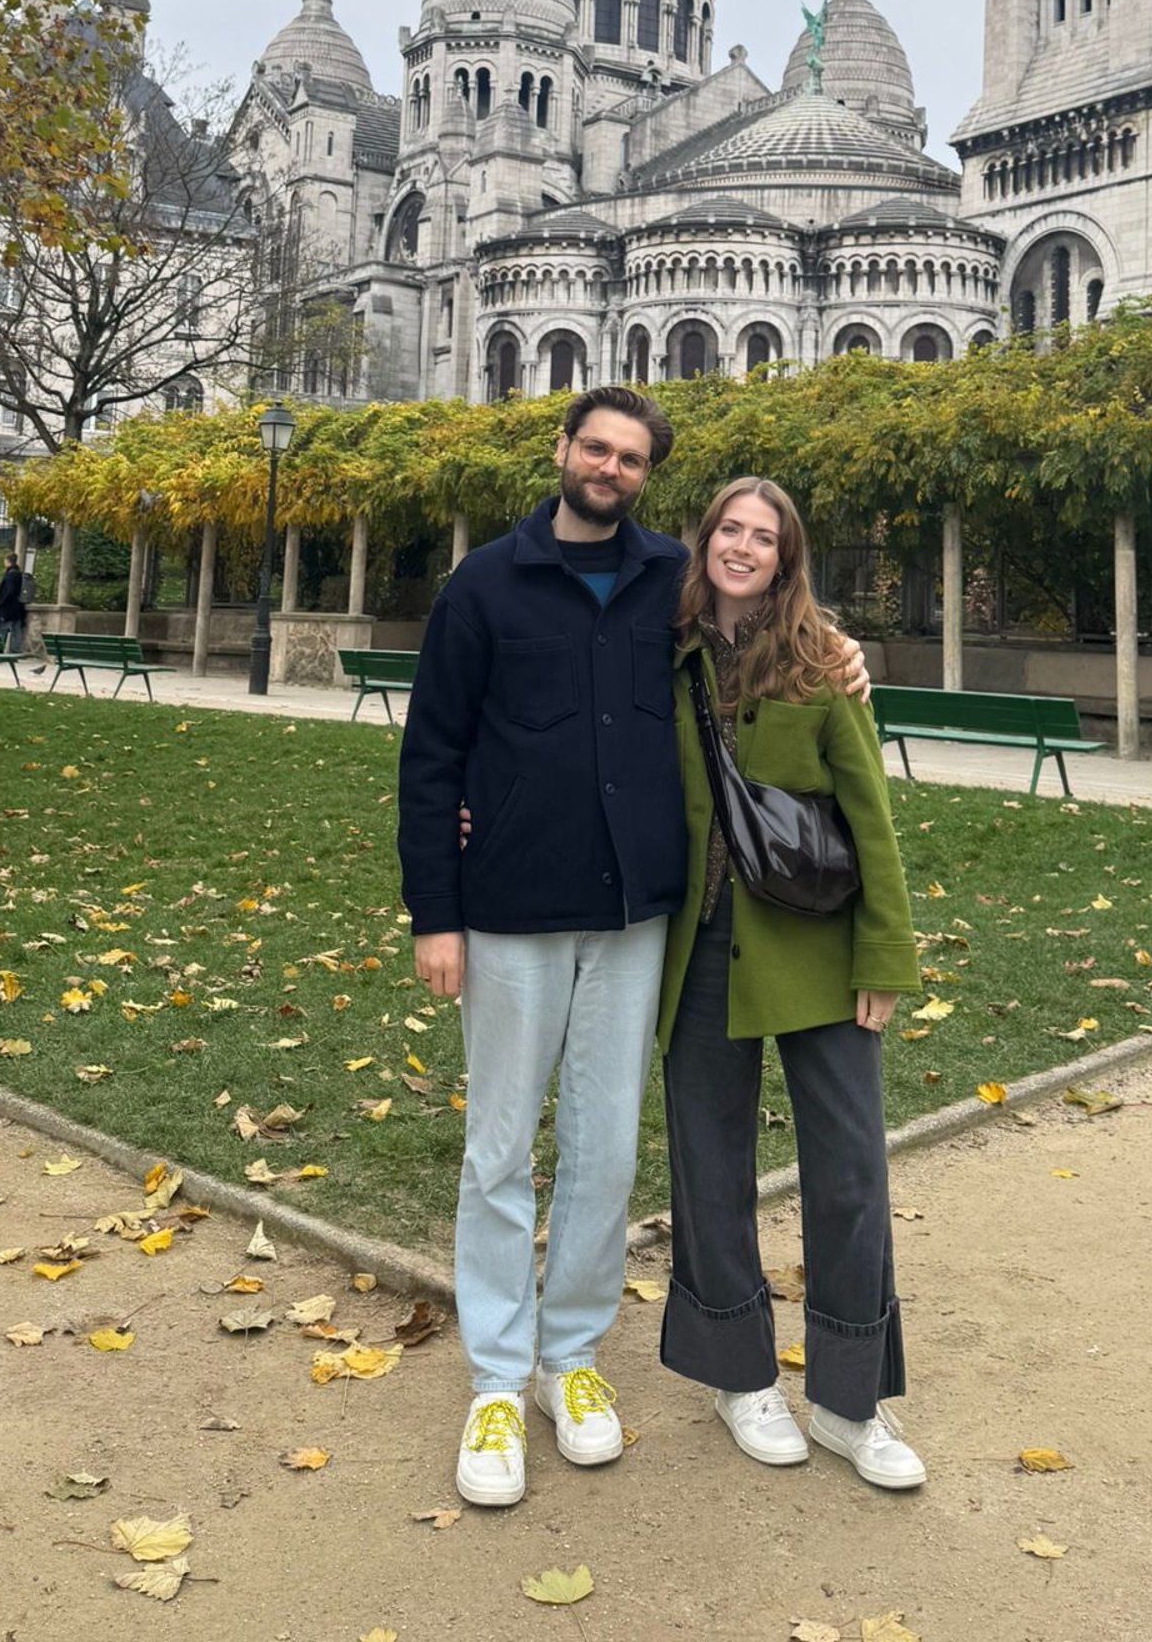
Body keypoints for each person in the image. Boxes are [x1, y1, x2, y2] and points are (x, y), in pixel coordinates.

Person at [401, 390, 868, 1512]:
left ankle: (572, 1358)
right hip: (509, 906)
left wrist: (850, 652)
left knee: (608, 1150)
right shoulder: (482, 585)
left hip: (635, 914)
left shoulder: (674, 580)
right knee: (501, 1145)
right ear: (563, 452)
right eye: (595, 447)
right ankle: (499, 1379)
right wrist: (436, 914)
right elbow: (431, 755)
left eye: (631, 457)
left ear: (648, 474)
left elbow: (772, 627)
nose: (610, 467)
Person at [657, 477, 925, 1492]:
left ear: (786, 556)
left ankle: (854, 1399)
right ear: (706, 539)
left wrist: (884, 958)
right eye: (729, 527)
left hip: (815, 944)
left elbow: (872, 818)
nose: (743, 546)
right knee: (709, 1170)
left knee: (850, 1173)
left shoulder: (822, 661)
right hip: (699, 948)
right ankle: (739, 1373)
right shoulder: (665, 650)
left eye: (763, 536)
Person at [0, 554, 27, 653]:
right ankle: (15, 649)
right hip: (18, 607)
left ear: (8, 562)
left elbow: (10, 591)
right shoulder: (19, 574)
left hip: (8, 608)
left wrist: (2, 602)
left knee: (4, 628)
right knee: (16, 629)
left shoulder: (10, 575)